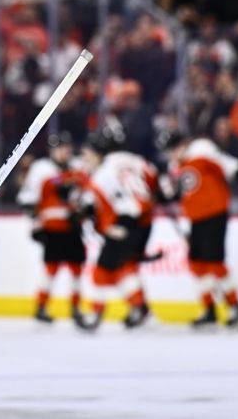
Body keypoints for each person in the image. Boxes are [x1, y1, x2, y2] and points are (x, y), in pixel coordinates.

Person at [157, 130, 238, 330]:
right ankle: (209, 309)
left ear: (182, 144)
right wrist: (164, 196)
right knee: (197, 264)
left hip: (215, 212)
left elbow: (230, 166)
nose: (171, 156)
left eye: (172, 150)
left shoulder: (201, 150)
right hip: (195, 217)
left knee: (215, 262)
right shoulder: (176, 165)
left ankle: (236, 307)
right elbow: (178, 193)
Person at [77, 126, 157, 331]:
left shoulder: (103, 173)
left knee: (103, 269)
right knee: (124, 267)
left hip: (125, 222)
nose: (85, 157)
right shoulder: (135, 160)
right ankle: (139, 307)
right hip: (143, 222)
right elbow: (153, 179)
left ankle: (95, 313)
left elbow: (111, 207)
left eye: (87, 153)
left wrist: (108, 225)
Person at [17, 132, 88, 324]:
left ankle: (75, 308)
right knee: (51, 268)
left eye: (66, 147)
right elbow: (28, 199)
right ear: (52, 150)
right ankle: (41, 306)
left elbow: (86, 194)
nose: (64, 152)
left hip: (72, 228)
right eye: (59, 148)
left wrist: (82, 212)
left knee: (76, 268)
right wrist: (36, 226)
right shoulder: (41, 169)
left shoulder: (78, 167)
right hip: (52, 228)